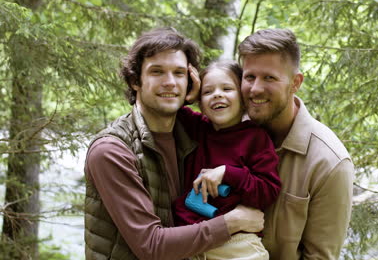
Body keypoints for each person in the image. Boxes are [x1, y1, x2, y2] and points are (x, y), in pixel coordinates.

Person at [84, 28, 264, 260]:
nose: (170, 82)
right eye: (157, 72)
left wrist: (198, 99)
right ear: (134, 80)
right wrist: (231, 222)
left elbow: (237, 130)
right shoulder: (112, 151)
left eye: (179, 73)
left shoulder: (191, 134)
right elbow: (151, 246)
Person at [238, 28, 355, 259]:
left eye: (269, 78)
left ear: (295, 82)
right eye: (249, 77)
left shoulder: (330, 163)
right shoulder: (229, 130)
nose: (255, 89)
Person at [172, 60, 281, 260]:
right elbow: (171, 109)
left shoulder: (255, 138)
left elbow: (268, 190)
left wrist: (227, 173)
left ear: (243, 98)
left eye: (227, 88)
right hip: (190, 239)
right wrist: (190, 96)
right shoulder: (198, 129)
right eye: (207, 92)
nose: (217, 94)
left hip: (235, 245)